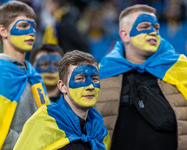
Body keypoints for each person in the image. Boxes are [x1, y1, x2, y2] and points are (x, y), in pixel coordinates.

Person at [95, 4, 187, 150]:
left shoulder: (180, 68)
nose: (153, 32)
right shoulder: (102, 76)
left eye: (156, 28)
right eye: (144, 27)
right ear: (125, 35)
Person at [13, 50, 110, 150]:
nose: (90, 86)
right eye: (80, 79)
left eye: (94, 79)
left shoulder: (99, 128)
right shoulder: (42, 123)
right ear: (62, 86)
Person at [0, 1, 50, 149]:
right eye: (23, 26)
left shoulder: (34, 76)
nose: (32, 32)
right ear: (3, 31)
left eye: (33, 26)